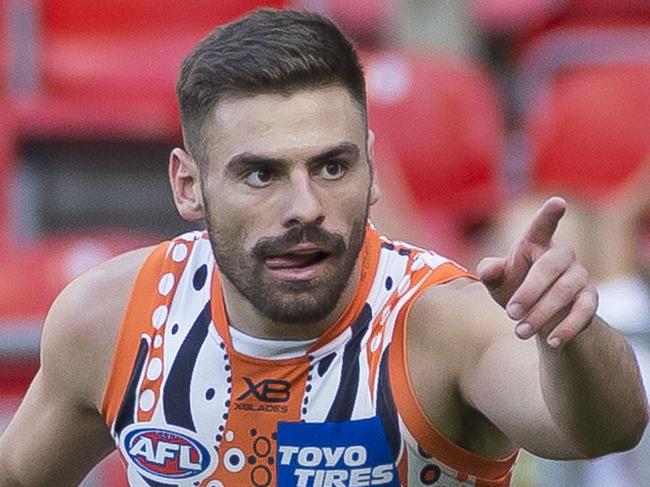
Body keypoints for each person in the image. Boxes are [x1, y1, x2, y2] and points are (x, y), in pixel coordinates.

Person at [0, 9, 647, 487]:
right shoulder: (108, 320)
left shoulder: (440, 321)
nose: (305, 206)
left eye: (332, 167)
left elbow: (604, 429)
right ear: (188, 185)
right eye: (262, 174)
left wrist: (573, 334)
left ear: (370, 168)